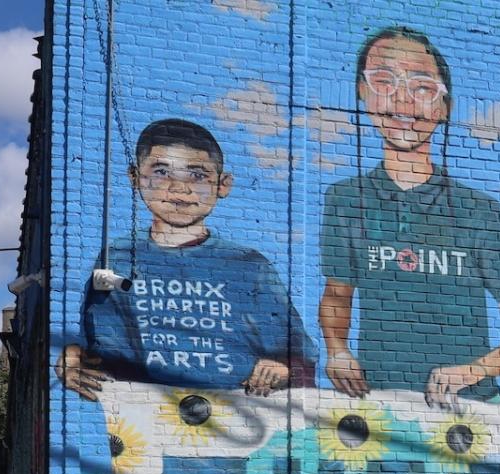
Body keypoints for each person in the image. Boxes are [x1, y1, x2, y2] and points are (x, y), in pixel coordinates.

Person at [319, 25, 500, 407]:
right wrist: (337, 351)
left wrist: (470, 371)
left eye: (422, 88)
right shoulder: (345, 200)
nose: (403, 103)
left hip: (471, 414)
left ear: (444, 108)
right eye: (384, 82)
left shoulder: (480, 212)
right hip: (381, 411)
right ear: (362, 92)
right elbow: (338, 296)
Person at [60, 118, 315, 400]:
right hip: (146, 423)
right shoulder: (116, 260)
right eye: (161, 172)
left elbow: (300, 356)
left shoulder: (249, 266)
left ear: (223, 184)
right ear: (135, 177)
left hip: (246, 422)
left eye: (197, 175)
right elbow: (106, 350)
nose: (179, 189)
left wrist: (283, 369)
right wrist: (76, 356)